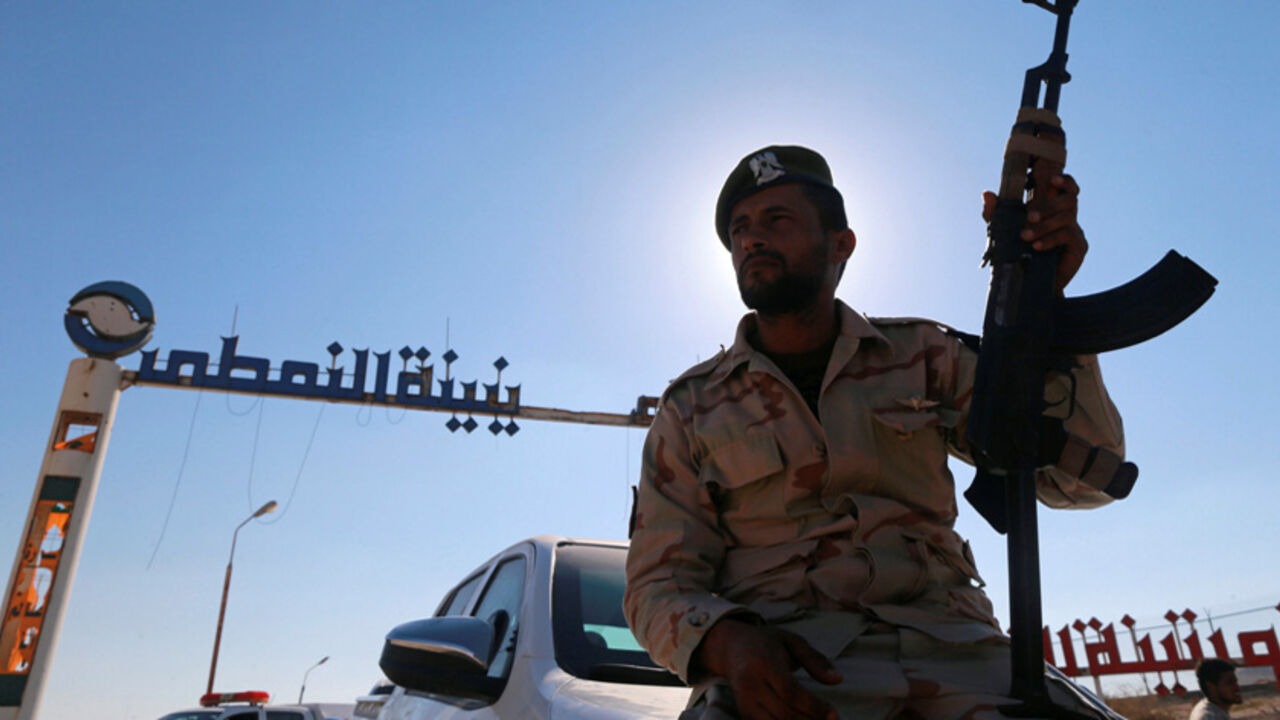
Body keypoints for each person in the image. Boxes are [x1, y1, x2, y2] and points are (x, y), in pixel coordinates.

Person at [623, 145, 1126, 720]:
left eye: (776, 220)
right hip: (789, 666)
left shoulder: (925, 357)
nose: (751, 240)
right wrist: (728, 642)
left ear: (841, 244)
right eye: (739, 229)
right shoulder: (692, 408)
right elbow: (655, 585)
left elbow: (1080, 485)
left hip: (961, 655)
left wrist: (1048, 307)